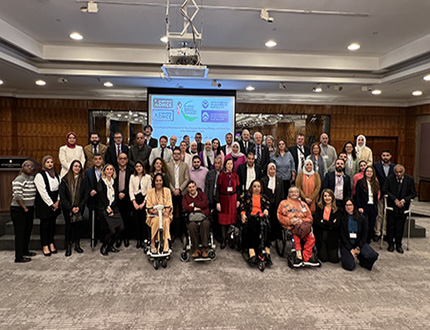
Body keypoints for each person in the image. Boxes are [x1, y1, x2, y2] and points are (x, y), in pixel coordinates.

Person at [277, 186, 320, 267]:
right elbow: (279, 216)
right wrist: (290, 221)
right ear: (289, 193)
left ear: (298, 193)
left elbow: (310, 218)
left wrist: (302, 221)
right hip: (291, 226)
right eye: (292, 192)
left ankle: (306, 256)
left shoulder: (303, 204)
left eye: (296, 192)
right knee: (296, 234)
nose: (294, 194)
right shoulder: (283, 203)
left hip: (303, 226)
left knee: (311, 237)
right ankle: (298, 255)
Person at [383, 164, 416, 254]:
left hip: (403, 207)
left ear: (404, 172)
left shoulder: (410, 179)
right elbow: (385, 190)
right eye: (396, 172)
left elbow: (413, 193)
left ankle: (398, 244)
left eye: (400, 172)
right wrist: (394, 200)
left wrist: (404, 200)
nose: (398, 174)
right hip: (392, 206)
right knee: (390, 225)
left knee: (400, 227)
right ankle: (390, 244)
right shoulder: (390, 178)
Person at [339, 198, 379, 271]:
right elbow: (342, 236)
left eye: (350, 205)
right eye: (346, 205)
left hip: (359, 243)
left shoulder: (362, 218)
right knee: (349, 266)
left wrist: (358, 248)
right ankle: (352, 255)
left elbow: (364, 236)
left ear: (354, 206)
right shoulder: (342, 218)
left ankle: (361, 258)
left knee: (373, 256)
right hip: (347, 244)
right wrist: (351, 249)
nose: (348, 207)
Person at [59, 160, 89, 257]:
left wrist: (79, 207)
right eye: (75, 166)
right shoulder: (65, 179)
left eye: (79, 166)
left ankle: (77, 245)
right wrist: (71, 208)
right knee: (69, 227)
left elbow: (86, 195)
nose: (77, 168)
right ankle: (68, 246)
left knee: (78, 226)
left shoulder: (84, 179)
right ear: (71, 167)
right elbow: (62, 196)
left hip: (80, 207)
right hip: (68, 208)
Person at [239, 180, 272, 265]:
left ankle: (267, 251)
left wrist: (266, 210)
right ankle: (251, 251)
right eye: (254, 186)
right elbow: (243, 207)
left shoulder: (264, 197)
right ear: (251, 188)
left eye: (258, 186)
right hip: (251, 217)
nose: (256, 188)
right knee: (252, 226)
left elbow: (267, 206)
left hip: (261, 217)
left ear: (261, 188)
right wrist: (243, 215)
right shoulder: (247, 196)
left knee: (267, 226)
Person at [10, 160, 37, 263]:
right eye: (27, 165)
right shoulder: (19, 179)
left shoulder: (32, 178)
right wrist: (24, 207)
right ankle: (19, 257)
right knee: (20, 233)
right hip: (19, 209)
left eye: (31, 166)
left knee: (27, 231)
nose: (29, 167)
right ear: (23, 167)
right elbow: (17, 195)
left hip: (29, 208)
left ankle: (25, 251)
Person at [34, 155, 61, 257]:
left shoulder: (56, 175)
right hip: (44, 203)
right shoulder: (39, 175)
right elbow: (43, 192)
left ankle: (51, 242)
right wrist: (51, 204)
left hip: (55, 202)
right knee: (45, 225)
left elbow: (59, 189)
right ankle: (45, 245)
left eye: (51, 162)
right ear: (44, 164)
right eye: (47, 162)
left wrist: (58, 201)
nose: (50, 164)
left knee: (52, 224)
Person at [97, 164, 125, 256]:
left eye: (111, 169)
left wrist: (112, 207)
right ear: (104, 171)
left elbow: (116, 196)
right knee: (112, 230)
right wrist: (107, 207)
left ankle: (110, 245)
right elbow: (101, 197)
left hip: (113, 206)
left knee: (121, 228)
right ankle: (104, 246)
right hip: (104, 208)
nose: (109, 171)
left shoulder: (114, 182)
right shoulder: (101, 182)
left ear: (113, 171)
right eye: (107, 169)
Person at [182, 181, 211, 258]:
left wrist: (193, 205)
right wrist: (197, 208)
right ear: (187, 189)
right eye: (190, 187)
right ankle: (196, 249)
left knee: (205, 224)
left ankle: (204, 249)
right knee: (191, 226)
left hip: (203, 217)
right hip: (192, 219)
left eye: (193, 187)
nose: (192, 189)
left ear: (196, 187)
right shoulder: (185, 197)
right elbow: (185, 207)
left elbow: (205, 204)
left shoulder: (202, 194)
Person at [216, 158, 240, 249]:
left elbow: (238, 189)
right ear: (225, 165)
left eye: (231, 164)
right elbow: (217, 190)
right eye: (228, 164)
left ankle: (231, 239)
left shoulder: (235, 176)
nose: (230, 166)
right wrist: (218, 202)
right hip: (223, 198)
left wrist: (238, 200)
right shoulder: (221, 176)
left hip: (233, 198)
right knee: (223, 220)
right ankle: (223, 239)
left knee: (232, 219)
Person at [167, 147, 190, 241]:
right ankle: (172, 234)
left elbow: (187, 178)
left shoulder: (185, 165)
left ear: (181, 155)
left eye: (178, 153)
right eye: (175, 153)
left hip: (182, 193)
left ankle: (181, 234)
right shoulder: (168, 165)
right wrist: (173, 190)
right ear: (173, 155)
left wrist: (179, 189)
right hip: (172, 193)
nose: (176, 155)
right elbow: (167, 179)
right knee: (171, 214)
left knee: (181, 214)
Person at [146, 173, 173, 253]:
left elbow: (169, 205)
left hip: (165, 215)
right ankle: (153, 243)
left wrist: (166, 212)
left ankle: (165, 245)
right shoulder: (150, 192)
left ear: (163, 181)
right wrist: (157, 213)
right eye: (157, 181)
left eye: (160, 181)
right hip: (153, 215)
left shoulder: (167, 191)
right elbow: (149, 207)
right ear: (154, 182)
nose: (158, 182)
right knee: (157, 220)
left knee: (165, 220)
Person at [373, 150, 396, 241]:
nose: (385, 157)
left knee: (387, 214)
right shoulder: (376, 166)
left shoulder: (394, 167)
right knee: (379, 214)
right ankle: (377, 232)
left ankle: (385, 232)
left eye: (387, 155)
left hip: (390, 194)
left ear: (390, 156)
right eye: (384, 155)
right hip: (379, 193)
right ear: (381, 156)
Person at [129, 160, 152, 248]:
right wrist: (134, 202)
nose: (139, 168)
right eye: (137, 166)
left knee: (143, 221)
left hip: (144, 200)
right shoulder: (132, 177)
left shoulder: (148, 177)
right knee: (136, 221)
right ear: (135, 168)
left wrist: (144, 203)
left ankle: (143, 240)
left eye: (140, 166)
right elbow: (130, 190)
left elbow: (149, 191)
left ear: (143, 167)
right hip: (135, 200)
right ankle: (138, 240)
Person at [313, 189, 340, 263]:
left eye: (329, 196)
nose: (327, 198)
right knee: (323, 259)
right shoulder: (319, 207)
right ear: (322, 197)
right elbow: (316, 223)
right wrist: (330, 224)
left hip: (332, 236)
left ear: (332, 197)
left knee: (334, 260)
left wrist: (323, 222)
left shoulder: (337, 209)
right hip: (321, 235)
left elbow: (337, 225)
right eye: (325, 196)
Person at [355, 166, 380, 244]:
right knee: (365, 226)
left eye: (371, 171)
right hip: (364, 207)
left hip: (372, 207)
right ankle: (363, 242)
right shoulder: (360, 182)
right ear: (365, 172)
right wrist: (359, 207)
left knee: (371, 225)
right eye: (367, 171)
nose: (369, 173)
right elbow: (357, 196)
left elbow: (376, 196)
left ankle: (368, 242)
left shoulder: (376, 183)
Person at [84, 153, 105, 247]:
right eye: (95, 159)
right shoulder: (88, 172)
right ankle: (93, 238)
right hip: (92, 198)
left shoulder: (107, 170)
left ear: (102, 160)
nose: (97, 160)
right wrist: (89, 190)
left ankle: (102, 237)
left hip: (103, 199)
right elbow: (86, 183)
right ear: (93, 160)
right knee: (92, 219)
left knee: (102, 219)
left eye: (99, 159)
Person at [261, 163, 284, 241]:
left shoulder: (279, 180)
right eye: (270, 169)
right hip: (267, 204)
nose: (272, 171)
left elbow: (282, 193)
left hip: (277, 204)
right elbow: (262, 193)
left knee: (276, 220)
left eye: (273, 169)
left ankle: (276, 236)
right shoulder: (263, 180)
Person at [114, 153, 133, 248]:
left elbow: (131, 184)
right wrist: (118, 193)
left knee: (126, 219)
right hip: (116, 198)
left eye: (124, 158)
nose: (122, 160)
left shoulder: (131, 170)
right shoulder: (114, 170)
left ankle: (126, 238)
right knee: (118, 219)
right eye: (120, 158)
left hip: (126, 198)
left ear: (127, 160)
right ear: (118, 160)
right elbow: (112, 184)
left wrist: (124, 193)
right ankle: (118, 238)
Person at [204, 156, 223, 242]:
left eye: (219, 163)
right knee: (212, 218)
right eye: (216, 163)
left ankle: (219, 235)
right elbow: (207, 187)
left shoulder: (224, 174)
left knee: (219, 218)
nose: (217, 165)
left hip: (221, 199)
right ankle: (211, 235)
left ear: (221, 164)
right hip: (211, 198)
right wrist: (207, 199)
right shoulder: (210, 173)